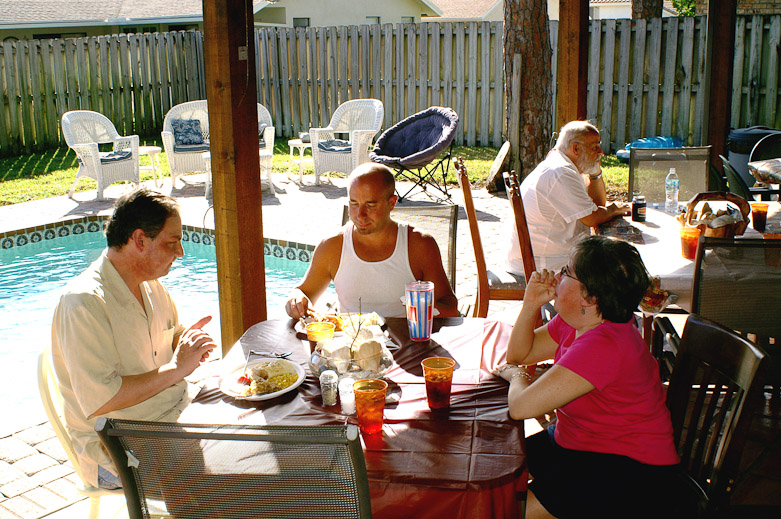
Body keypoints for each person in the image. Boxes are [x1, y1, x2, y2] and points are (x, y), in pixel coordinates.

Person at [494, 236, 685, 518]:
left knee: (503, 509)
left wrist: (516, 376)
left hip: (627, 471)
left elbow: (521, 406)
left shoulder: (604, 345)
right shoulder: (581, 321)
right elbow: (521, 353)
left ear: (590, 296)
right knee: (495, 462)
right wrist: (531, 305)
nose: (557, 275)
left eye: (567, 272)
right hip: (579, 444)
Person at [51, 188, 216, 489]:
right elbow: (103, 398)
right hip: (118, 449)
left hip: (170, 418)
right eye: (172, 242)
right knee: (228, 480)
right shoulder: (83, 304)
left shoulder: (151, 285)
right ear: (140, 240)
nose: (180, 253)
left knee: (250, 433)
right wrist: (177, 368)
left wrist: (186, 340)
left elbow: (168, 339)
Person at [286, 163, 458, 319]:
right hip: (350, 348)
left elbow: (450, 308)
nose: (360, 215)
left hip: (407, 347)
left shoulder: (419, 245)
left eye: (370, 205)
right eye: (354, 203)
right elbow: (303, 292)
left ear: (392, 203)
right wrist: (296, 300)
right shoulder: (332, 246)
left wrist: (420, 308)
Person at [507, 121, 630, 274]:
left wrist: (595, 174)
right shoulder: (561, 172)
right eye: (595, 147)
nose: (601, 152)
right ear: (576, 148)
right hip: (541, 263)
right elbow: (592, 218)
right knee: (619, 270)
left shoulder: (565, 165)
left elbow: (596, 205)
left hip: (545, 255)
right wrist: (613, 209)